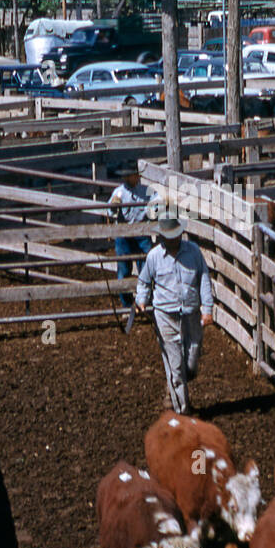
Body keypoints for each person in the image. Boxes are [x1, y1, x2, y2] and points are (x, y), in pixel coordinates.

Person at [135, 216, 213, 415]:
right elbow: (144, 281)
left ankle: (174, 389)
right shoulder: (154, 257)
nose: (173, 239)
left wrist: (207, 308)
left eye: (176, 235)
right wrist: (142, 300)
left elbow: (203, 277)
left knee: (192, 360)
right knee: (176, 366)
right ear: (162, 236)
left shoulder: (193, 251)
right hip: (165, 315)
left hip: (191, 313)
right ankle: (182, 411)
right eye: (169, 236)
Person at [108, 165, 155, 308]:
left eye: (134, 175)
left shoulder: (146, 191)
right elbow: (110, 212)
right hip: (124, 233)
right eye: (130, 175)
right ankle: (127, 304)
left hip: (142, 232)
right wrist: (113, 206)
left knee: (147, 268)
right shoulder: (119, 193)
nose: (132, 178)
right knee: (123, 271)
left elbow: (157, 204)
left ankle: (146, 301)